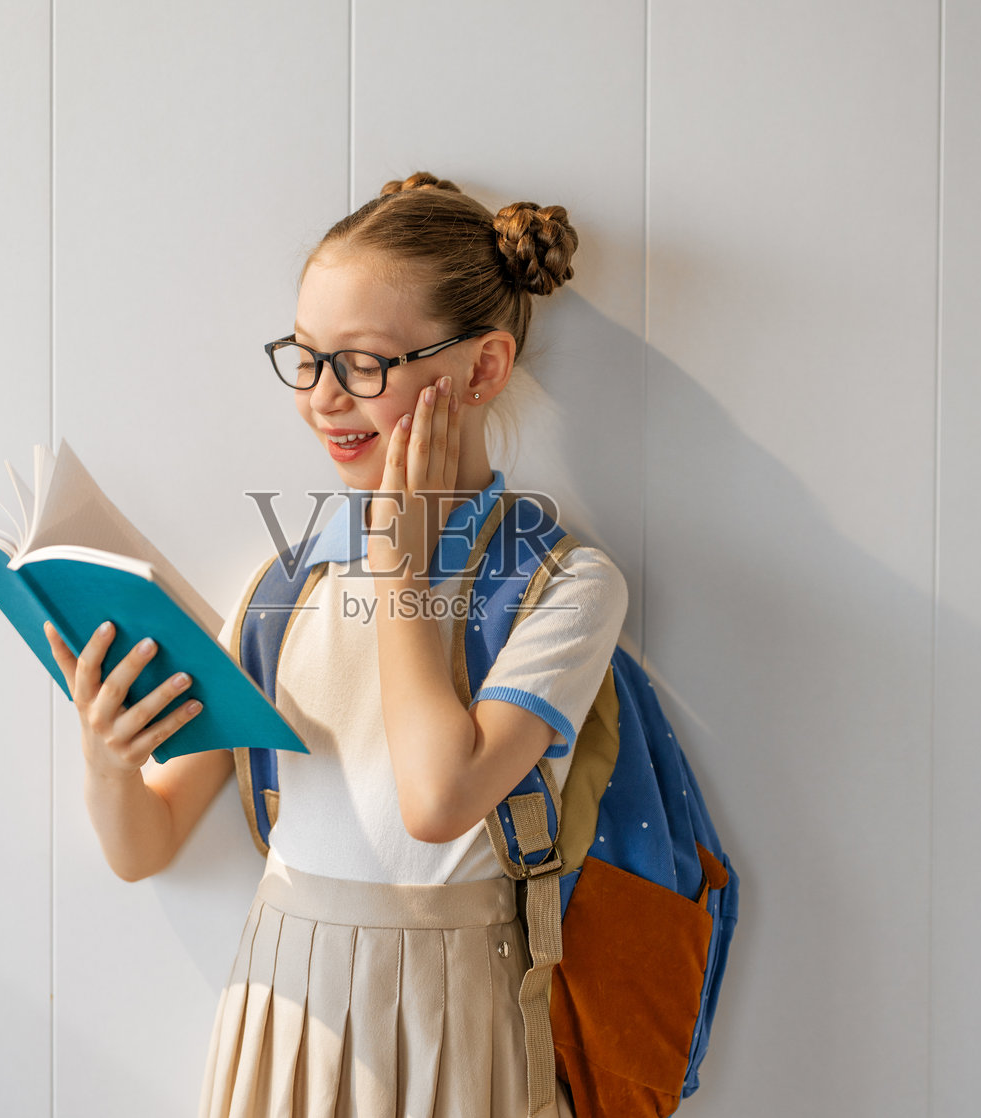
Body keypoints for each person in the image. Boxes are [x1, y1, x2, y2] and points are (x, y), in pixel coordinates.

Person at [44, 172, 628, 1117]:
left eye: (362, 364)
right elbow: (144, 843)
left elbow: (438, 799)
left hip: (451, 1005)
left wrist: (404, 572)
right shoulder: (284, 586)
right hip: (282, 997)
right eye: (304, 357)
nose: (322, 398)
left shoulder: (564, 585)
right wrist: (108, 759)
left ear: (482, 370)